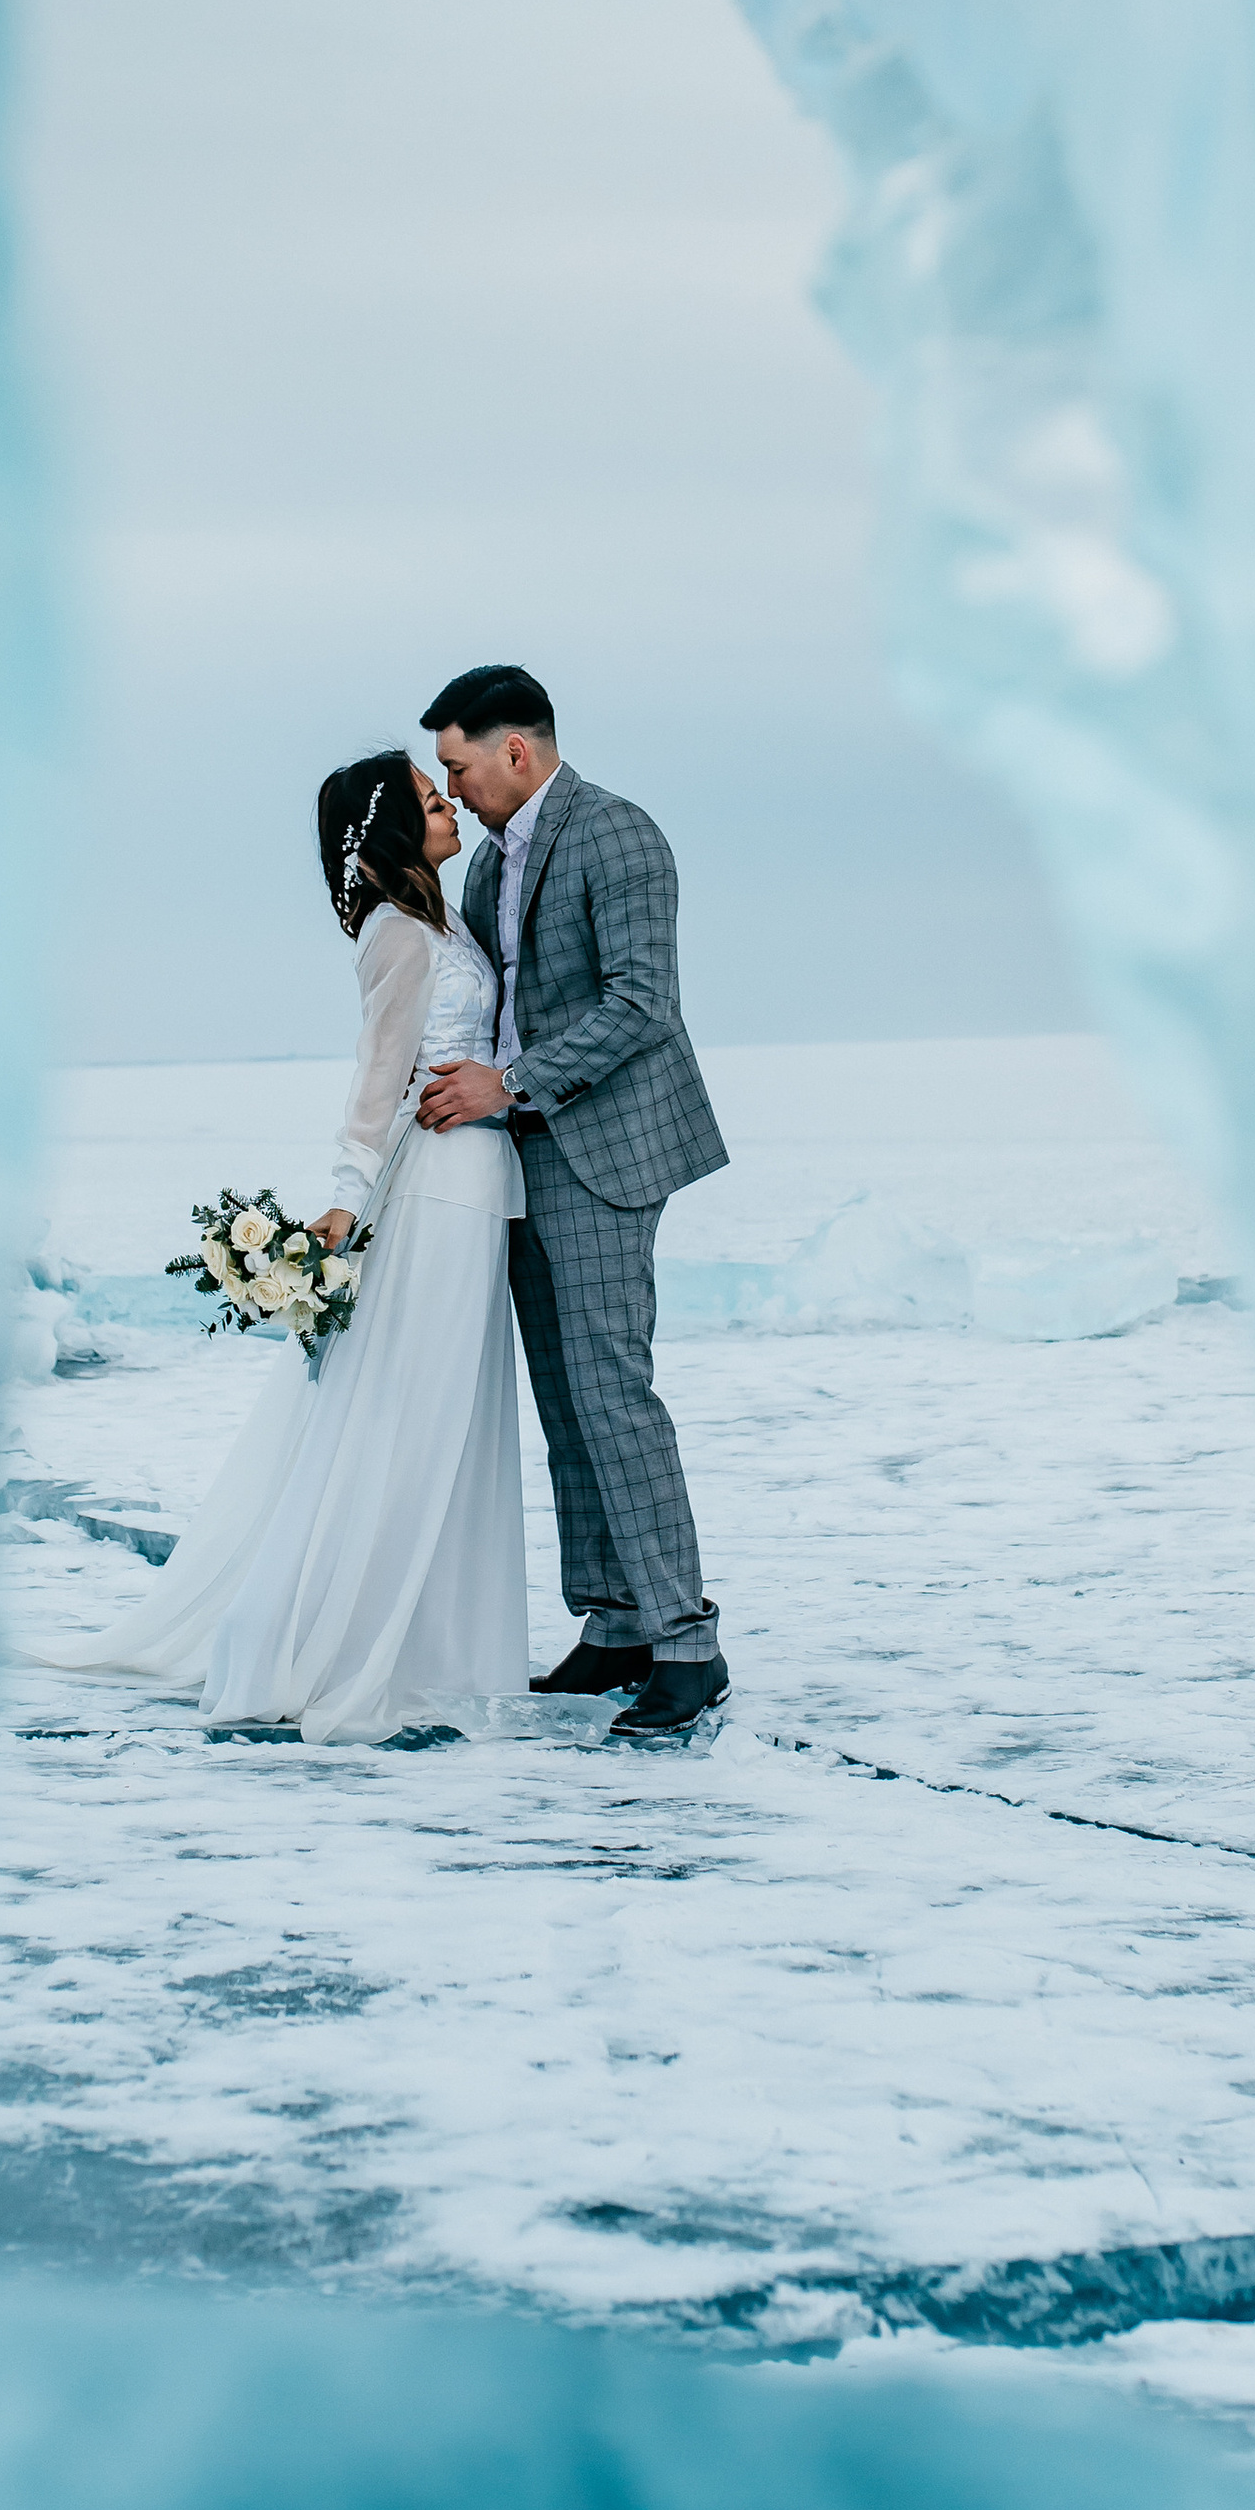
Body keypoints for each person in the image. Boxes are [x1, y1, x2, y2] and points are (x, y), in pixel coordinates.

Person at [28, 751, 528, 1742]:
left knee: (445, 1420)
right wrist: (340, 1206)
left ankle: (430, 1646)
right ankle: (332, 1646)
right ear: (391, 830)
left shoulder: (438, 919)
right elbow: (375, 1080)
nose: (449, 807)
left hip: (476, 1180)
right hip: (434, 1192)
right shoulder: (396, 935)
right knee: (407, 1417)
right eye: (432, 802)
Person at [416, 665, 731, 1735]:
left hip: (605, 1150)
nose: (448, 789)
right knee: (562, 1403)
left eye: (457, 766)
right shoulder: (483, 869)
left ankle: (686, 1643)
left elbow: (643, 1002)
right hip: (519, 1157)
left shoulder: (618, 834)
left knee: (612, 1395)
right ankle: (612, 1626)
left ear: (518, 751)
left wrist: (507, 1083)